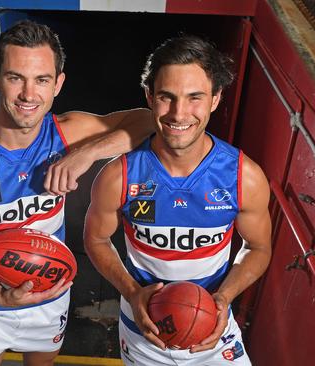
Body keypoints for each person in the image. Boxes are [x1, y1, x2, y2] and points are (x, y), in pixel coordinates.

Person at [0, 20, 152, 366]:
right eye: (16, 77)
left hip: (49, 295)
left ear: (58, 83)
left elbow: (148, 120)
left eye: (42, 80)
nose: (29, 95)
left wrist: (86, 154)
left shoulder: (67, 134)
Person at [83, 35, 272, 365]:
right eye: (166, 98)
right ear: (150, 98)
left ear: (215, 99)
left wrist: (224, 297)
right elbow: (96, 239)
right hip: (145, 330)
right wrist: (131, 291)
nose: (179, 113)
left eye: (194, 97)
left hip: (213, 329)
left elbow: (258, 247)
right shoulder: (119, 177)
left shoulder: (244, 177)